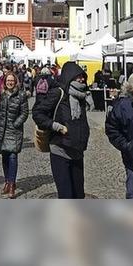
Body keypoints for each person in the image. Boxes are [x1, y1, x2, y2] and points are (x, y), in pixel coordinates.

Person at [32, 61, 91, 199]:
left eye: (83, 77)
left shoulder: (82, 95)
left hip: (77, 149)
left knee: (79, 194)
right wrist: (56, 126)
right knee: (66, 195)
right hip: (60, 148)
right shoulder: (58, 94)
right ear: (69, 77)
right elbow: (37, 113)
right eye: (78, 77)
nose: (82, 80)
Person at [0, 73, 29, 198]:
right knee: (5, 156)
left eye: (12, 81)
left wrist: (16, 123)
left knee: (13, 156)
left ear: (16, 82)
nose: (10, 83)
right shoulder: (2, 94)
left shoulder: (21, 95)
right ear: (5, 82)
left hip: (14, 130)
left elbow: (24, 113)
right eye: (8, 80)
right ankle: (7, 181)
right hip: (2, 128)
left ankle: (12, 183)